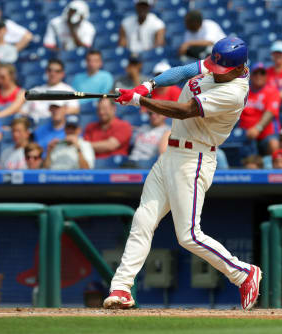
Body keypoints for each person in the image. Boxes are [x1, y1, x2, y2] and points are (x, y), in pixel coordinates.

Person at [103, 37, 261, 310]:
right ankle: (121, 287)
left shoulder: (233, 92)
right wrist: (148, 85)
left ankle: (243, 273)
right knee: (143, 219)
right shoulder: (222, 64)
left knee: (188, 235)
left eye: (221, 69)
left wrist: (139, 100)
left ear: (239, 68)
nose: (214, 70)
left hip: (194, 158)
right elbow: (185, 71)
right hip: (171, 154)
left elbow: (186, 111)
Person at [240, 62, 280, 156]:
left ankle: (275, 170)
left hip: (266, 134)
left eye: (262, 73)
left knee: (273, 144)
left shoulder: (272, 91)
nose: (259, 76)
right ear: (250, 76)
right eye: (255, 73)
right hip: (245, 134)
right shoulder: (243, 91)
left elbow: (270, 112)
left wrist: (258, 128)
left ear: (266, 76)